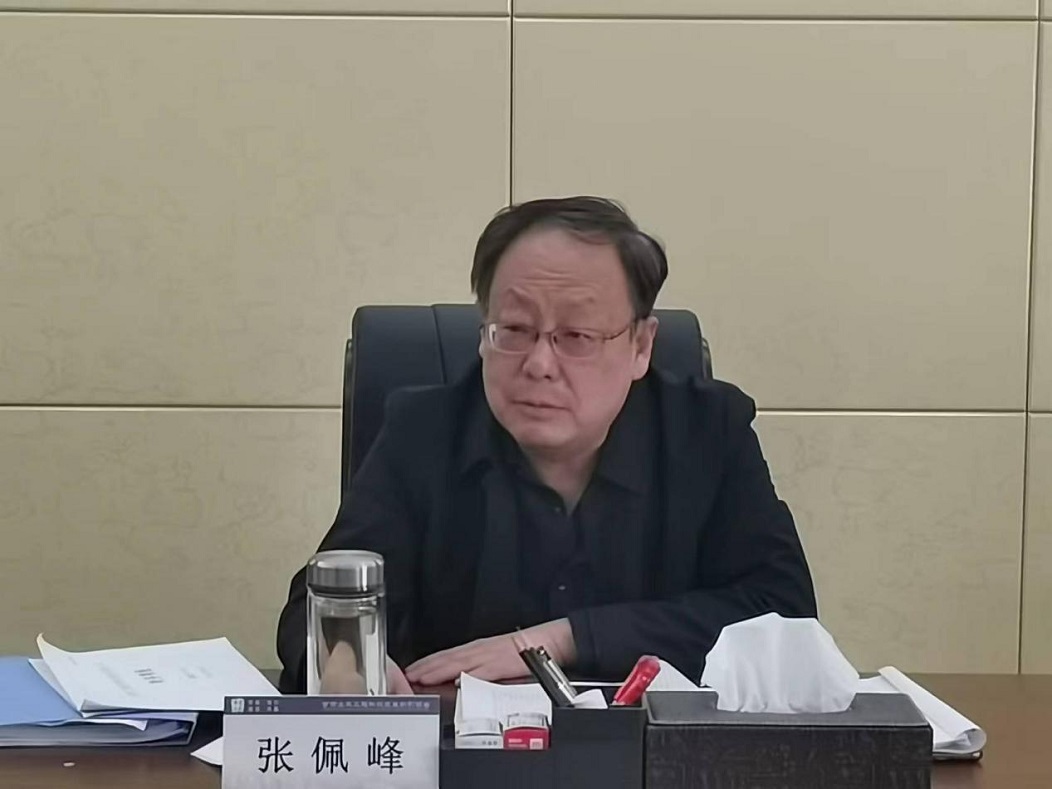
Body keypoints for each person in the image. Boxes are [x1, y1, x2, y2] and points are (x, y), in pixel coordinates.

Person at [277, 196, 816, 694]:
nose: (538, 364)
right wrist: (351, 668)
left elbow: (784, 617)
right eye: (514, 329)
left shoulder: (708, 434)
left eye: (576, 336)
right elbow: (318, 607)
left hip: (651, 751)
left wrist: (562, 639)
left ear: (640, 345)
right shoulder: (423, 432)